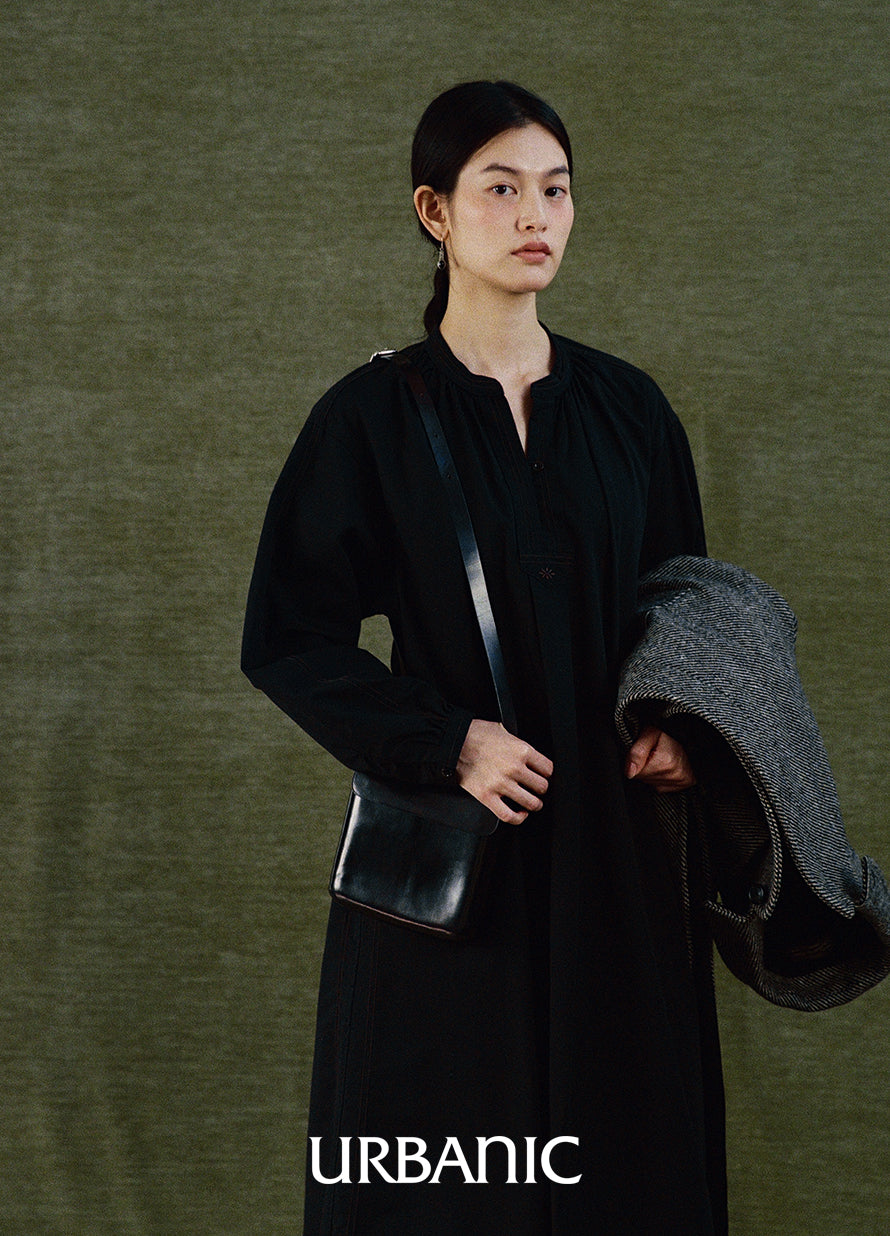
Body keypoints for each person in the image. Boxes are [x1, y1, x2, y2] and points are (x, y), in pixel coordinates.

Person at [242, 80, 725, 1236]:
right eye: (499, 189)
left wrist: (680, 724)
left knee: (627, 1170)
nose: (533, 216)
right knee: (447, 1183)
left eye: (553, 190)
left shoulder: (629, 411)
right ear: (434, 212)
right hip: (457, 864)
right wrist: (447, 741)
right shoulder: (367, 419)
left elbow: (688, 607)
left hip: (615, 857)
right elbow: (289, 636)